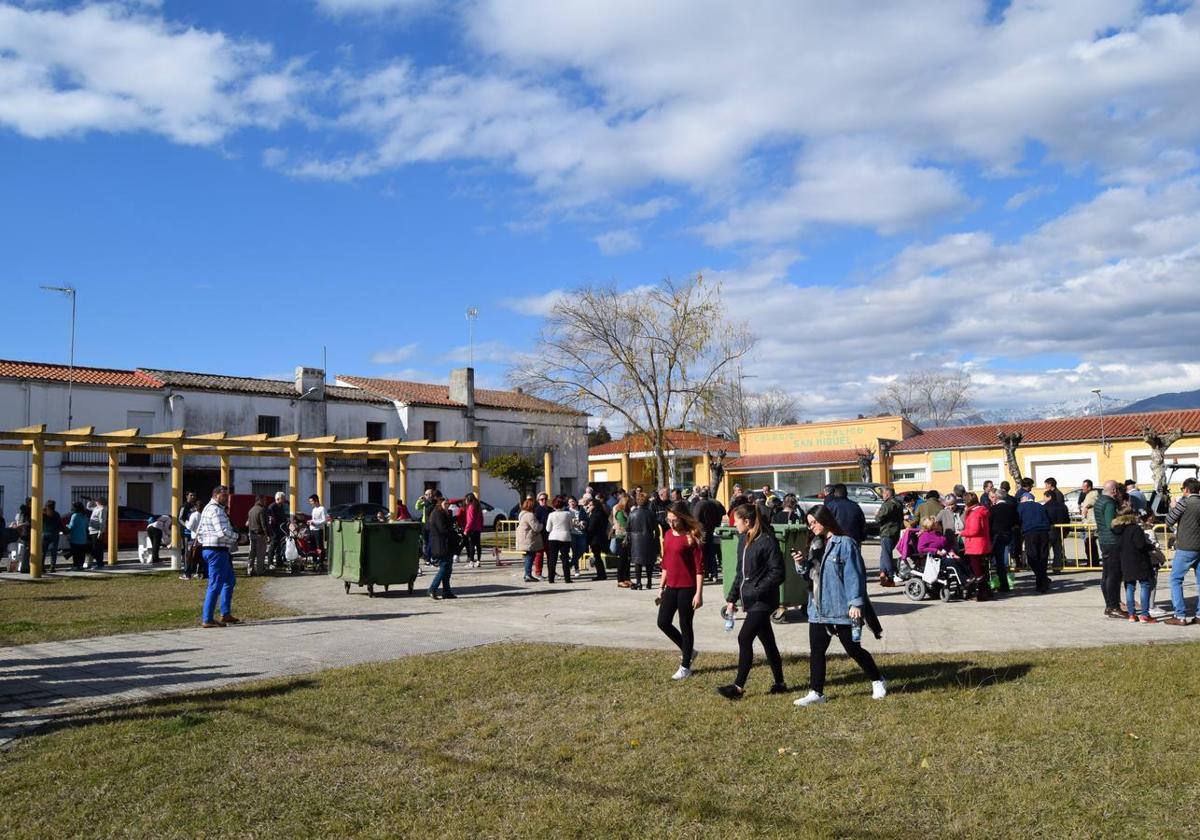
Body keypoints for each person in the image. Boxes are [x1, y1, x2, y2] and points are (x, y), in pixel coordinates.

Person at [793, 505, 885, 706]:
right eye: (809, 524)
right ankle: (816, 692)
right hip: (817, 608)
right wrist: (800, 564)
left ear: (825, 519)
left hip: (842, 607)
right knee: (817, 651)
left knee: (853, 649)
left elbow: (855, 575)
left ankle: (877, 680)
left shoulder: (845, 543)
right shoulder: (816, 544)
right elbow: (809, 577)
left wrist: (856, 603)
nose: (812, 527)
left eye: (814, 522)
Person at [716, 503, 788, 700]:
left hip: (763, 601)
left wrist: (757, 589)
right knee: (768, 641)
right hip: (750, 598)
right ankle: (780, 683)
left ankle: (737, 688)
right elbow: (740, 572)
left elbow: (778, 572)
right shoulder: (743, 540)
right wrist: (732, 599)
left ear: (746, 521)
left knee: (744, 638)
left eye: (735, 520)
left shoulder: (767, 540)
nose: (733, 524)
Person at [656, 503, 705, 680]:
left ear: (683, 519)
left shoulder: (692, 537)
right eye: (669, 520)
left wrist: (698, 593)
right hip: (671, 587)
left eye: (675, 520)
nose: (671, 524)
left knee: (686, 625)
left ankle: (685, 666)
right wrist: (660, 587)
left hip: (688, 588)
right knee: (663, 622)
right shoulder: (668, 535)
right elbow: (666, 565)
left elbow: (699, 569)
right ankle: (689, 651)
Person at [195, 485, 240, 628]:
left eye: (227, 495)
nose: (227, 498)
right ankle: (207, 618)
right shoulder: (216, 510)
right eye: (224, 495)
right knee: (215, 585)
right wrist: (238, 537)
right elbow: (222, 532)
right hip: (216, 550)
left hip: (214, 549)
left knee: (229, 580)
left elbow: (200, 530)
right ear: (216, 495)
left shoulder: (208, 509)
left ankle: (225, 613)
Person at [1164, 477, 1200, 626]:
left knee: (1176, 579)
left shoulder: (1184, 503)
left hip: (1186, 547)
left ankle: (1180, 615)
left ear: (1186, 490)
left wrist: (1173, 506)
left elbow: (1168, 521)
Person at [1112, 502, 1156, 623]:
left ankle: (1131, 614)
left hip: (1125, 561)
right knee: (1145, 585)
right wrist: (1151, 546)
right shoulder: (1135, 528)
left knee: (1130, 587)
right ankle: (1145, 614)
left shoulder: (1116, 530)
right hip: (1139, 560)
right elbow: (1140, 545)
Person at [1095, 480, 1122, 618]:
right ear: (1114, 491)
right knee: (1113, 575)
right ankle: (1113, 606)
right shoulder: (1110, 503)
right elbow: (1111, 523)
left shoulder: (1100, 501)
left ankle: (1109, 605)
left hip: (1104, 540)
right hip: (1111, 542)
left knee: (1106, 575)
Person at [1017, 490, 1052, 593]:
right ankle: (1042, 581)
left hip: (1030, 532)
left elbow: (1018, 519)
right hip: (1044, 532)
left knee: (1032, 557)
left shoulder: (1021, 507)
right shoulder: (1040, 506)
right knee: (1043, 556)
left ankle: (1042, 579)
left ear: (1026, 498)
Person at [959, 492, 993, 600]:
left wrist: (962, 533)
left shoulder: (974, 513)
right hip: (982, 544)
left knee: (977, 571)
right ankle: (987, 591)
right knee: (982, 569)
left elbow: (974, 530)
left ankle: (982, 594)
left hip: (975, 546)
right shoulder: (981, 510)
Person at [426, 496, 458, 599]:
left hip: (446, 544)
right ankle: (432, 588)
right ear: (440, 504)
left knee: (448, 569)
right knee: (444, 568)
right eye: (445, 504)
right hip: (441, 545)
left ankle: (446, 591)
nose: (447, 506)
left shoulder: (444, 513)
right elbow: (443, 529)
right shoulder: (438, 514)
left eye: (448, 504)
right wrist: (454, 534)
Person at [693, 487, 727, 582]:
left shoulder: (699, 504)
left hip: (702, 531)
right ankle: (714, 573)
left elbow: (695, 518)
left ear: (700, 496)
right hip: (711, 530)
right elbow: (719, 515)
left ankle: (705, 573)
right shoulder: (712, 504)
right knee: (711, 552)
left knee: (702, 553)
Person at [988, 487, 1018, 593]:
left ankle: (1003, 584)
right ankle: (1006, 583)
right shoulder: (1011, 507)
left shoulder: (993, 509)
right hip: (1009, 534)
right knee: (1006, 560)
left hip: (997, 536)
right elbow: (1016, 521)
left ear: (996, 497)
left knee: (999, 562)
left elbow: (989, 523)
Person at [627, 491, 659, 590]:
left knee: (638, 562)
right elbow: (655, 527)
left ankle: (639, 582)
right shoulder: (651, 514)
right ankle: (649, 582)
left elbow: (628, 527)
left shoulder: (632, 514)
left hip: (636, 540)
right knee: (649, 562)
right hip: (648, 539)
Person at [875, 486, 904, 587]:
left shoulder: (887, 505)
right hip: (895, 532)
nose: (882, 495)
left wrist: (877, 514)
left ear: (887, 494)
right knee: (885, 553)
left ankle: (890, 576)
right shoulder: (899, 504)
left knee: (886, 554)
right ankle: (883, 574)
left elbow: (878, 518)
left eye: (883, 493)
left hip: (887, 532)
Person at [544, 497, 574, 584]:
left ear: (554, 505)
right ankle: (567, 579)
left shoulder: (551, 515)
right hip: (565, 537)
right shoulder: (568, 514)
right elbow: (571, 527)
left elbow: (548, 529)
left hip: (553, 537)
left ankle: (551, 579)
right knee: (565, 558)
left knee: (552, 559)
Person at [1042, 488, 1070, 573]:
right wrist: (1066, 531)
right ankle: (1057, 568)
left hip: (1048, 531)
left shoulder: (1045, 507)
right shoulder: (1063, 506)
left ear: (1049, 497)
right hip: (1060, 531)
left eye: (1045, 497)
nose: (1044, 499)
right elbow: (1067, 520)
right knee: (1057, 551)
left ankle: (1043, 568)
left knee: (1045, 551)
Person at [516, 498, 543, 582]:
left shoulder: (522, 514)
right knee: (530, 557)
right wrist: (542, 524)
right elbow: (536, 528)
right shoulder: (530, 515)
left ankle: (527, 574)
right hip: (528, 539)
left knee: (528, 557)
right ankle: (528, 575)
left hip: (523, 538)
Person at [585, 496, 610, 581]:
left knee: (597, 557)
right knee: (597, 557)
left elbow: (591, 528)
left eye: (591, 505)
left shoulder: (595, 514)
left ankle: (601, 574)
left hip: (595, 539)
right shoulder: (602, 513)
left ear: (595, 506)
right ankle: (601, 574)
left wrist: (585, 527)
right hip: (601, 537)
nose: (589, 506)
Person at [245, 495, 270, 577]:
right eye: (264, 500)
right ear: (259, 500)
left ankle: (250, 570)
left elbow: (247, 523)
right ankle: (260, 571)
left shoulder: (251, 510)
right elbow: (264, 524)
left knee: (251, 553)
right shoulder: (261, 510)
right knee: (260, 554)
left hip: (252, 534)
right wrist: (267, 534)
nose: (265, 502)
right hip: (260, 534)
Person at [610, 494, 631, 587]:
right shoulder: (619, 512)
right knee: (622, 560)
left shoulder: (625, 511)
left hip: (626, 537)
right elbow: (625, 524)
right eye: (629, 502)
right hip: (621, 538)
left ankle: (627, 578)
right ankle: (620, 579)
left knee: (627, 559)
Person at [266, 492, 289, 570]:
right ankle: (270, 562)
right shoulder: (272, 507)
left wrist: (286, 520)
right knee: (273, 546)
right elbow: (271, 520)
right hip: (274, 530)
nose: (285, 499)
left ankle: (279, 562)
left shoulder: (281, 506)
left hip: (281, 529)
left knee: (280, 546)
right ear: (278, 499)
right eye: (283, 498)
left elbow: (282, 517)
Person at [462, 493, 484, 569]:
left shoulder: (471, 507)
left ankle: (471, 561)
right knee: (478, 545)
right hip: (478, 528)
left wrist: (466, 529)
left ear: (469, 499)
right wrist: (481, 526)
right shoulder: (478, 506)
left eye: (466, 499)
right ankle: (478, 560)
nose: (465, 501)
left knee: (471, 545)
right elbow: (481, 518)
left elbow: (470, 520)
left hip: (472, 529)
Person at [66, 501, 89, 570]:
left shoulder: (74, 515)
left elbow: (71, 526)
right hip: (83, 537)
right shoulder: (84, 515)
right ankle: (81, 565)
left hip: (75, 537)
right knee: (82, 553)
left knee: (76, 553)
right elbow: (86, 526)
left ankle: (75, 565)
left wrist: (66, 526)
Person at [567, 496, 588, 575]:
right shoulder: (567, 510)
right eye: (569, 502)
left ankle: (570, 564)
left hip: (581, 532)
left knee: (582, 550)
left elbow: (586, 519)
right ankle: (576, 569)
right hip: (571, 533)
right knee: (575, 551)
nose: (571, 503)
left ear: (576, 502)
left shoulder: (581, 509)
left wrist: (583, 522)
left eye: (573, 501)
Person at [41, 500, 63, 573]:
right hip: (54, 534)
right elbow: (60, 524)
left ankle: (41, 567)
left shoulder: (43, 513)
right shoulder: (56, 514)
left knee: (43, 551)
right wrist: (65, 531)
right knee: (53, 551)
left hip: (44, 533)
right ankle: (52, 567)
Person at [86, 496, 107, 568]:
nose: (95, 502)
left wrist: (100, 532)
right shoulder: (96, 508)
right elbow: (88, 507)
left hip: (97, 531)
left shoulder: (102, 509)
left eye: (96, 501)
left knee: (97, 548)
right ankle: (98, 563)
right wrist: (90, 501)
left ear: (99, 502)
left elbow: (102, 521)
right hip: (92, 531)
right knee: (94, 548)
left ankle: (100, 563)